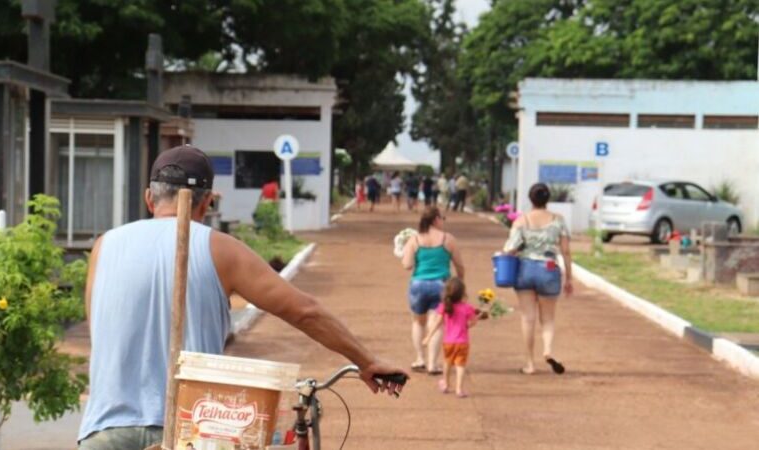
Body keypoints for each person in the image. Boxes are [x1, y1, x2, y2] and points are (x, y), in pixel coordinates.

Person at [78, 146, 405, 449]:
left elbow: (100, 330)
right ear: (206, 203)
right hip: (188, 431)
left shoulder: (104, 246)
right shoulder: (219, 249)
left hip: (103, 432)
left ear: (150, 198)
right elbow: (304, 311)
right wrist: (366, 361)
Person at [503, 183, 573, 376]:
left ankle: (529, 364)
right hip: (549, 269)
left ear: (530, 199)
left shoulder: (521, 221)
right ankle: (548, 350)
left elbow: (510, 248)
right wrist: (569, 278)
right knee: (548, 318)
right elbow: (566, 251)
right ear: (547, 199)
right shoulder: (559, 221)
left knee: (528, 318)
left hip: (525, 270)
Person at [401, 206, 465, 375]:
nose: (443, 221)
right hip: (441, 285)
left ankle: (419, 358)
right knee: (436, 323)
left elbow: (407, 265)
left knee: (418, 322)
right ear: (436, 219)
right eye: (442, 218)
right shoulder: (448, 239)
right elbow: (459, 264)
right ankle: (432, 363)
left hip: (418, 284)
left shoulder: (414, 240)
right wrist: (460, 282)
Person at [423, 277, 483, 398]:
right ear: (463, 293)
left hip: (448, 341)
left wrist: (428, 337)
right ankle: (459, 389)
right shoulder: (467, 308)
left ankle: (446, 383)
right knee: (460, 365)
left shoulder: (444, 306)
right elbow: (472, 323)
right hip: (463, 342)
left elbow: (437, 323)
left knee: (447, 362)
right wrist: (477, 318)